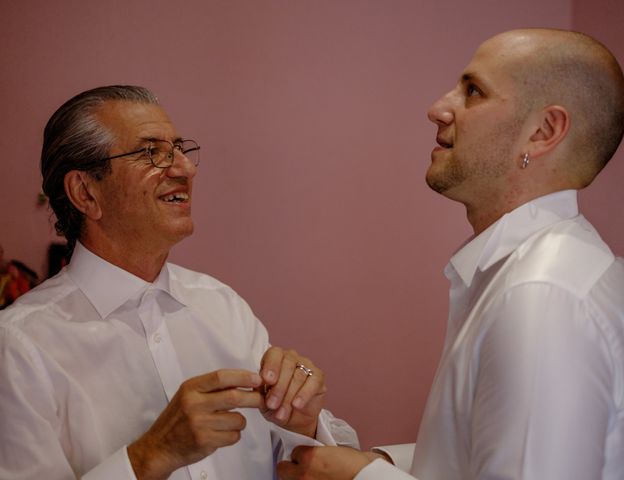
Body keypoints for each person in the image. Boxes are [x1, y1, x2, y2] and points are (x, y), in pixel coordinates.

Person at [277, 28, 624, 480]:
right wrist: (382, 464)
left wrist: (361, 479)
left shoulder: (543, 294)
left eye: (473, 92)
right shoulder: (534, 272)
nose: (438, 108)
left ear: (543, 131)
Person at [0, 86, 358, 479]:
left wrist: (303, 422)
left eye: (180, 149)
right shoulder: (19, 348)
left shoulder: (222, 305)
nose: (186, 169)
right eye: (152, 152)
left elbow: (303, 462)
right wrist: (149, 456)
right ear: (86, 192)